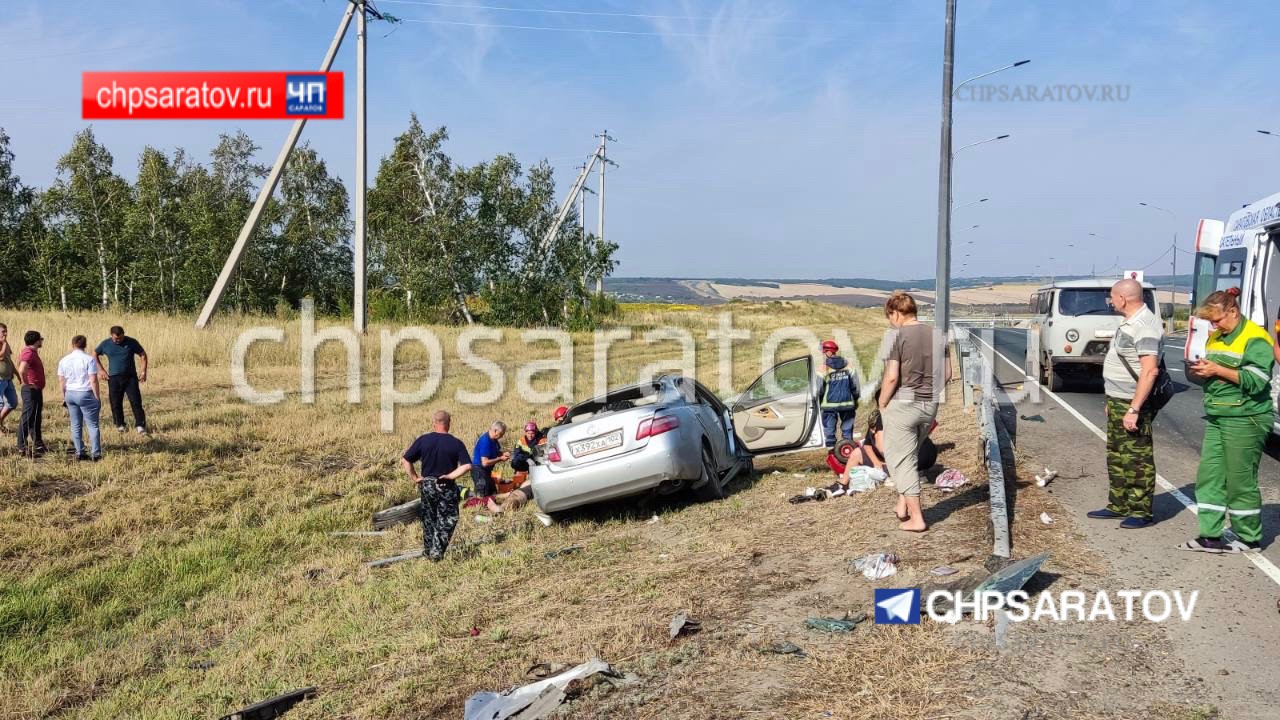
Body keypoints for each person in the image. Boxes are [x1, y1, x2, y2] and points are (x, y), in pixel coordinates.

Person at [1181, 288, 1274, 553]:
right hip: (1219, 414)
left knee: (1239, 480)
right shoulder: (1217, 337)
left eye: (1217, 320)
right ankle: (1209, 536)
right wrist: (1201, 371)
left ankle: (1249, 538)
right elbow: (1216, 373)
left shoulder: (1255, 338)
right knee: (1210, 477)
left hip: (1246, 417)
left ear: (1233, 311)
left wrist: (1217, 369)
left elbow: (1257, 381)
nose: (1214, 325)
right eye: (1210, 321)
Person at [1086, 279, 1164, 529]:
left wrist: (1134, 408)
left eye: (1112, 297)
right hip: (1118, 399)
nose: (1110, 301)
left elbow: (1150, 371)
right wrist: (1113, 399)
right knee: (1117, 455)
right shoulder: (1131, 321)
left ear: (1123, 298)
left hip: (1132, 403)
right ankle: (1119, 504)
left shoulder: (1144, 325)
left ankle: (1141, 511)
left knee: (1136, 458)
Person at [878, 291, 950, 532]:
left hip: (903, 404)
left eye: (890, 316)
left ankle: (917, 518)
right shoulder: (938, 335)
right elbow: (947, 373)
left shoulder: (895, 336)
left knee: (901, 459)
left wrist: (882, 402)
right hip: (929, 405)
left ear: (895, 313)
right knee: (909, 453)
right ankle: (902, 505)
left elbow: (891, 377)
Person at [400, 410, 473, 561]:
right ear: (449, 424)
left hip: (427, 484)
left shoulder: (423, 440)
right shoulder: (456, 443)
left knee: (429, 517)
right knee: (447, 518)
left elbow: (406, 460)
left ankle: (428, 550)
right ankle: (436, 552)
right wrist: (450, 476)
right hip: (446, 485)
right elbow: (467, 466)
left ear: (434, 423)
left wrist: (415, 477)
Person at [94, 325, 148, 434]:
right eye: (115, 338)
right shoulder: (105, 344)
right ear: (111, 336)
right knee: (115, 402)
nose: (118, 340)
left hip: (130, 377)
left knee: (136, 401)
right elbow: (94, 354)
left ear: (123, 334)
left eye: (120, 338)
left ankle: (140, 425)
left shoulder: (131, 342)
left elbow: (143, 355)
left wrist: (143, 371)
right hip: (113, 377)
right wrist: (101, 370)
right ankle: (120, 424)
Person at [58, 335, 103, 461]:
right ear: (85, 345)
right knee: (92, 425)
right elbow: (93, 380)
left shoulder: (64, 360)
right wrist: (97, 397)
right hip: (85, 392)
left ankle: (79, 451)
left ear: (72, 344)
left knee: (76, 424)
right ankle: (96, 453)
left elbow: (62, 380)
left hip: (70, 393)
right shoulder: (89, 359)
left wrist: (64, 396)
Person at [819, 340, 860, 447]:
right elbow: (855, 387)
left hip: (829, 406)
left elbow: (819, 389)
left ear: (828, 352)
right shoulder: (849, 366)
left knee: (830, 432)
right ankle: (848, 452)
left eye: (824, 352)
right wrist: (855, 400)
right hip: (847, 404)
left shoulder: (823, 368)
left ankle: (832, 453)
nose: (823, 354)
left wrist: (819, 403)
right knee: (847, 431)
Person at [15, 330, 47, 458]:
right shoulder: (28, 352)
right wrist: (27, 383)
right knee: (28, 417)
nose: (41, 341)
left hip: (36, 389)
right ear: (36, 341)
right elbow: (22, 369)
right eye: (41, 339)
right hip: (30, 390)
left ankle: (37, 443)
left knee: (35, 417)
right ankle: (21, 446)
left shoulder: (31, 352)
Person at [471, 420, 510, 498]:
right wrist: (500, 458)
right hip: (479, 470)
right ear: (495, 431)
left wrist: (503, 453)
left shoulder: (494, 440)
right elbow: (485, 463)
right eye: (501, 434)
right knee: (483, 496)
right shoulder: (485, 441)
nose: (502, 436)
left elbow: (496, 452)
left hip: (487, 471)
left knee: (493, 493)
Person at [0, 323, 16, 434]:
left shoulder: (6, 344)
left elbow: (9, 360)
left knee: (12, 402)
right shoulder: (4, 344)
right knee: (0, 403)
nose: (5, 333)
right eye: (3, 331)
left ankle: (0, 422)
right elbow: (0, 356)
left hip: (8, 378)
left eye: (6, 331)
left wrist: (19, 376)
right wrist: (4, 343)